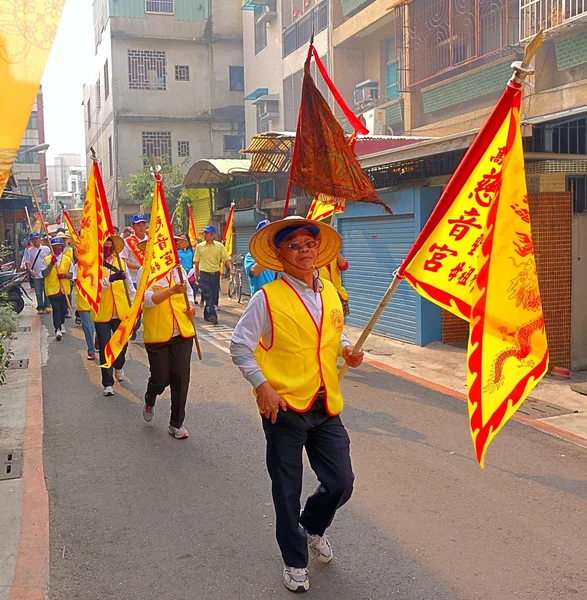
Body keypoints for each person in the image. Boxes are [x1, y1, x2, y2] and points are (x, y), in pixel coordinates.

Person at [230, 216, 364, 593]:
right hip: (284, 407)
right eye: (295, 245)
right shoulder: (266, 298)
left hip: (326, 403)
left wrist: (347, 350)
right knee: (286, 488)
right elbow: (240, 346)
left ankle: (313, 526)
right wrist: (262, 387)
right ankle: (294, 561)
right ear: (279, 253)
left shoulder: (330, 293)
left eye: (309, 244)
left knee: (341, 481)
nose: (304, 251)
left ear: (318, 249)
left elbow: (333, 331)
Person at [141, 263, 196, 439]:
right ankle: (150, 396)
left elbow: (189, 293)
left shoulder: (179, 270)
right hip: (157, 334)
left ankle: (176, 423)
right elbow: (147, 300)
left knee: (181, 377)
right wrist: (170, 291)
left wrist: (192, 307)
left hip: (181, 331)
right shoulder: (147, 270)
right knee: (160, 378)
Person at [91, 236, 135, 396]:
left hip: (122, 310)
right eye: (105, 244)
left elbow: (130, 286)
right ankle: (107, 383)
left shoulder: (121, 263)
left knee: (122, 344)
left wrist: (136, 305)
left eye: (111, 244)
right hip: (102, 311)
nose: (108, 247)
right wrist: (109, 279)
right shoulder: (94, 265)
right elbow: (93, 289)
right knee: (104, 346)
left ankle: (119, 365)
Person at [194, 224, 234, 325]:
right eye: (204, 233)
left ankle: (207, 314)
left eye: (207, 233)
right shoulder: (199, 247)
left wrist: (231, 269)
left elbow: (227, 258)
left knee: (213, 295)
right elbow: (196, 261)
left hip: (215, 275)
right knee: (208, 294)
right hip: (204, 275)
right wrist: (197, 273)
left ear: (212, 235)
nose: (204, 235)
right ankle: (213, 315)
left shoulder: (220, 246)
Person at [120, 214, 148, 339]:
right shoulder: (127, 242)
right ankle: (133, 327)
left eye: (143, 224)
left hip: (149, 279)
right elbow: (123, 261)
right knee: (137, 308)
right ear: (133, 227)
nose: (141, 227)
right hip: (134, 280)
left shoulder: (151, 240)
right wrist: (140, 268)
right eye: (138, 225)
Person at [42, 238, 73, 340]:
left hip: (65, 290)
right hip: (52, 290)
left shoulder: (68, 259)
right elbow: (43, 273)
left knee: (64, 309)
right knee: (56, 310)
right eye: (55, 247)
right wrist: (51, 263)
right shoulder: (46, 259)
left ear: (62, 247)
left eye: (59, 246)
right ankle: (57, 329)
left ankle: (61, 323)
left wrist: (64, 276)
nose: (57, 248)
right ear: (52, 248)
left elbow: (72, 274)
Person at [244, 220, 280, 297]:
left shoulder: (279, 253)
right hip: (260, 299)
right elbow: (254, 271)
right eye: (264, 235)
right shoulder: (250, 256)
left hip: (277, 298)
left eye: (269, 234)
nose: (267, 237)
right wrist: (270, 255)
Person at [73, 262, 96, 361]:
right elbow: (75, 280)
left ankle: (98, 338)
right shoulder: (77, 266)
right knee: (88, 326)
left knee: (96, 325)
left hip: (96, 299)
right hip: (83, 299)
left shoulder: (97, 263)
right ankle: (91, 350)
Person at [23, 233, 52, 314]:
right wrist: (30, 270)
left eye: (37, 238)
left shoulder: (46, 249)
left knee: (47, 290)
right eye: (33, 239)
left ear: (40, 239)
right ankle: (40, 306)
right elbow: (27, 262)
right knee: (38, 292)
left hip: (46, 273)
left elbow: (51, 260)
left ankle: (47, 305)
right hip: (35, 274)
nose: (35, 240)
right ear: (31, 241)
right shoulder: (29, 251)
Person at [177, 233, 198, 298]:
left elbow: (195, 261)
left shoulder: (192, 250)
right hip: (181, 272)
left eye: (184, 238)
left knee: (193, 287)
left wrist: (194, 270)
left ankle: (192, 300)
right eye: (181, 238)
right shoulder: (177, 251)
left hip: (191, 272)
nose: (183, 240)